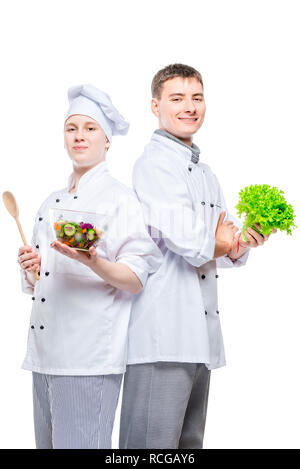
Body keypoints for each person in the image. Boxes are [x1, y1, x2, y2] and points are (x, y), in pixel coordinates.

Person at [119, 64, 276, 449]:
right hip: (162, 335)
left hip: (198, 336)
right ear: (155, 105)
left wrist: (244, 242)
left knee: (188, 445)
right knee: (150, 449)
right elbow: (190, 241)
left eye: (197, 98)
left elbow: (218, 246)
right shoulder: (154, 165)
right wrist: (220, 241)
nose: (189, 107)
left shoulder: (204, 172)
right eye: (177, 99)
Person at [17, 84, 162, 449]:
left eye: (90, 128)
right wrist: (33, 268)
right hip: (45, 356)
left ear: (107, 140)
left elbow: (135, 279)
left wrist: (94, 260)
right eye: (72, 128)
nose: (79, 136)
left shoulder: (119, 198)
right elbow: (40, 283)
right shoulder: (52, 201)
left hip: (88, 361)